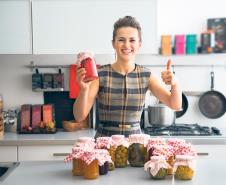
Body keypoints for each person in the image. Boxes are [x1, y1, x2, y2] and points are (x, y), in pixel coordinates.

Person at [74, 16, 182, 137]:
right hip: (104, 144)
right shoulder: (100, 74)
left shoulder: (147, 75)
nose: (126, 45)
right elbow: (79, 116)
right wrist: (83, 90)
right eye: (121, 40)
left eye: (132, 40)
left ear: (139, 44)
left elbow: (175, 105)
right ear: (113, 43)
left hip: (135, 145)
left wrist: (175, 84)